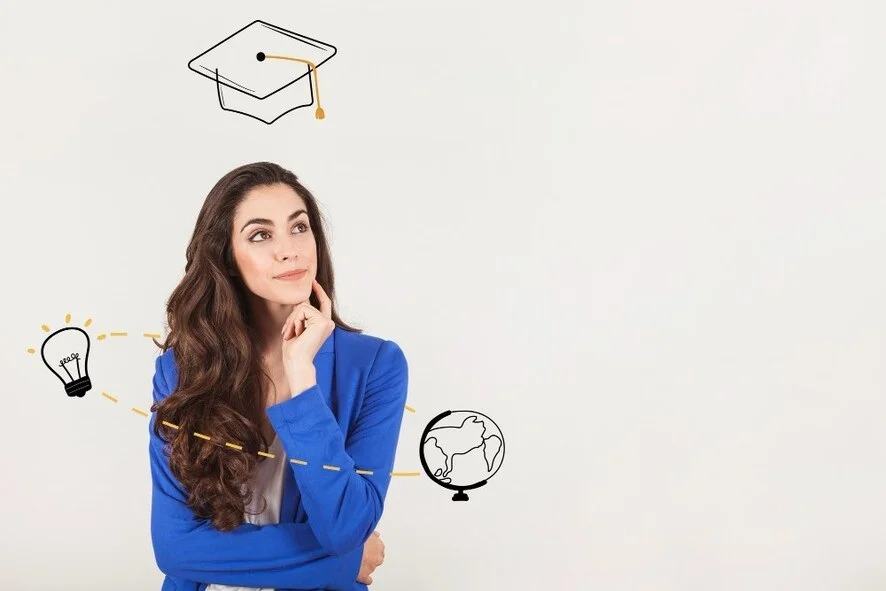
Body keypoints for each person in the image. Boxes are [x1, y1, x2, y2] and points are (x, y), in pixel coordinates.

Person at [147, 162, 409, 591]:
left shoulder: (376, 366)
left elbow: (344, 527)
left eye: (299, 228)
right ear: (227, 258)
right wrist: (341, 564)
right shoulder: (180, 369)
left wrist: (301, 382)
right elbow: (175, 549)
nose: (290, 250)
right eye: (260, 235)